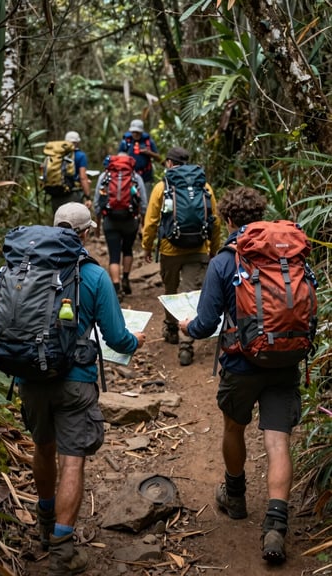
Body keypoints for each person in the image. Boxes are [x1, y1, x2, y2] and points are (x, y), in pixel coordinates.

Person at [18, 202, 146, 575]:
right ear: (87, 233)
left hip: (30, 376)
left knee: (43, 447)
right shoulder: (92, 274)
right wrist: (135, 341)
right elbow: (116, 338)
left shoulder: (21, 265)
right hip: (75, 381)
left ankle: (44, 522)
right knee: (72, 460)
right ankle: (62, 550)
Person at [179, 187, 301, 565]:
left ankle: (235, 498)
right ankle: (276, 525)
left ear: (228, 220)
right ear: (262, 213)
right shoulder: (289, 256)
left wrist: (187, 327)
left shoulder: (226, 260)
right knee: (278, 441)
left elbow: (206, 322)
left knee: (234, 427)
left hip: (241, 362)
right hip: (285, 359)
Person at [141, 146, 220, 366]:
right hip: (198, 249)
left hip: (170, 249)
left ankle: (172, 330)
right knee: (190, 295)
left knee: (171, 291)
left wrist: (147, 246)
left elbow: (151, 222)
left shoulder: (161, 187)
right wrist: (214, 248)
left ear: (168, 163)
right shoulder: (204, 187)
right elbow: (215, 221)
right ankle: (186, 345)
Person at [93, 153, 147, 299]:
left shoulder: (105, 176)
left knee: (114, 254)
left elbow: (97, 203)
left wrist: (97, 225)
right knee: (128, 249)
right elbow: (143, 203)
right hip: (130, 220)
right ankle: (125, 279)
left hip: (110, 220)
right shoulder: (135, 177)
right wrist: (142, 223)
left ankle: (116, 288)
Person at [118, 119, 161, 199]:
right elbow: (119, 157)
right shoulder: (126, 142)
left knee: (146, 199)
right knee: (130, 200)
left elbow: (159, 158)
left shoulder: (148, 142)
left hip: (146, 177)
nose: (135, 134)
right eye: (133, 132)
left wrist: (148, 152)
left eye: (137, 132)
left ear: (141, 132)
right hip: (129, 177)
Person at [51, 131, 92, 214]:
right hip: (73, 195)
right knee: (74, 223)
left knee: (58, 224)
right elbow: (83, 177)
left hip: (55, 195)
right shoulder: (80, 156)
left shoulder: (56, 155)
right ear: (77, 142)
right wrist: (88, 197)